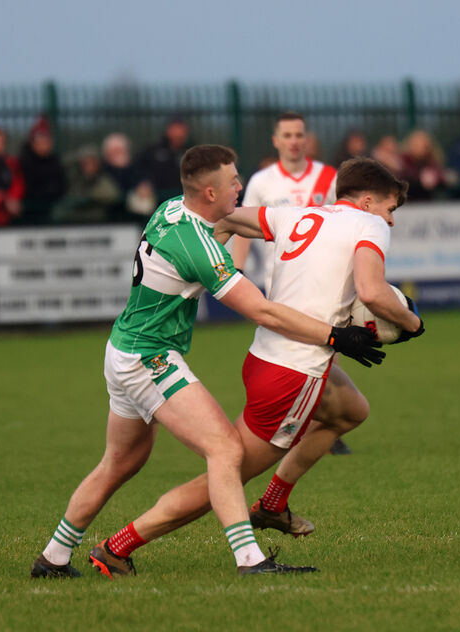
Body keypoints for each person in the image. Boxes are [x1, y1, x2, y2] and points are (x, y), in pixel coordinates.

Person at [29, 144, 385, 579]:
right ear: (211, 193)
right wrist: (335, 335)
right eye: (233, 181)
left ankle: (54, 557)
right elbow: (263, 311)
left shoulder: (172, 208)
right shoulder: (198, 246)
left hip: (122, 348)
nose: (241, 185)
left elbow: (224, 230)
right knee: (224, 449)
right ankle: (249, 560)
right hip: (149, 358)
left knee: (119, 463)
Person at [231, 112, 350, 455]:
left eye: (299, 134)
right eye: (287, 135)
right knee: (285, 353)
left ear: (306, 138)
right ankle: (289, 420)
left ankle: (325, 425)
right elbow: (243, 222)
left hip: (325, 280)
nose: (294, 140)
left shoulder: (327, 177)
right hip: (280, 283)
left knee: (328, 347)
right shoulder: (262, 181)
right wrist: (237, 268)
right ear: (276, 140)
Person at [52, 145, 120, 224]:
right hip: (72, 222)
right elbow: (64, 162)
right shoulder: (73, 179)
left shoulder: (102, 180)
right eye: (85, 162)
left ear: (97, 164)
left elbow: (112, 195)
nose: (89, 165)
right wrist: (78, 156)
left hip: (95, 222)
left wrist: (89, 199)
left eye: (92, 162)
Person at [18, 117, 66, 225]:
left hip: (50, 212)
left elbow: (61, 186)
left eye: (46, 141)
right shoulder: (25, 162)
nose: (44, 145)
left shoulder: (55, 161)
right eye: (40, 141)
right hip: (28, 215)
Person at [136, 116, 191, 202]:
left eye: (181, 130)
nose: (178, 134)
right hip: (155, 200)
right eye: (175, 129)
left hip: (183, 200)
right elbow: (138, 168)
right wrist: (143, 182)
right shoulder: (153, 150)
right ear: (168, 130)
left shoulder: (191, 151)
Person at [398, 129, 447, 201]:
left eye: (424, 145)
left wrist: (435, 177)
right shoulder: (404, 159)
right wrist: (420, 177)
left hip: (427, 201)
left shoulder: (432, 159)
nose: (420, 148)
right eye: (417, 145)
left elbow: (440, 174)